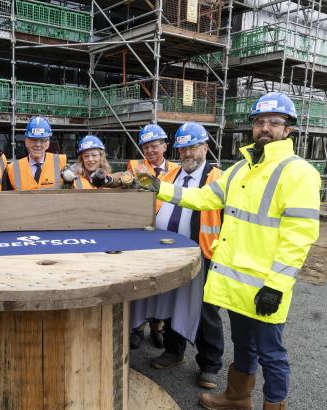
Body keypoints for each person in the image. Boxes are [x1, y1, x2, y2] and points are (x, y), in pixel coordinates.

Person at [140, 92, 320, 410]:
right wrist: (159, 187)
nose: (265, 128)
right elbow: (203, 198)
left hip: (266, 286)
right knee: (244, 345)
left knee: (272, 353)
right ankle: (238, 397)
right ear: (252, 127)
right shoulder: (238, 170)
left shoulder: (298, 172)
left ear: (288, 129)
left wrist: (276, 286)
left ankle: (273, 405)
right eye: (260, 121)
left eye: (274, 122)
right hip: (237, 283)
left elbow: (299, 236)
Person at [130, 122, 224, 390]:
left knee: (206, 311)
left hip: (203, 254)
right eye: (183, 148)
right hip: (167, 252)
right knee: (173, 303)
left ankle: (210, 365)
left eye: (193, 147)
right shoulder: (170, 176)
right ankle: (174, 351)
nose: (187, 154)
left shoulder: (217, 178)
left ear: (205, 147)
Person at [128, 123, 179, 349]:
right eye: (146, 147)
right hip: (141, 231)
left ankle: (157, 326)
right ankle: (137, 326)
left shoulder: (177, 171)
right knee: (139, 280)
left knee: (162, 281)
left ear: (165, 146)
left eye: (154, 145)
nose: (150, 151)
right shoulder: (135, 168)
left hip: (167, 233)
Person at [7, 116, 67, 190]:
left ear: (48, 143)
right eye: (34, 140)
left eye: (42, 140)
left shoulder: (62, 163)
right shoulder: (12, 169)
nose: (38, 145)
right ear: (26, 142)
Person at [62, 134, 134, 189]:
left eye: (94, 155)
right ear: (82, 159)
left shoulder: (110, 179)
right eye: (86, 156)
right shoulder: (74, 180)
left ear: (101, 157)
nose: (90, 159)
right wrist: (66, 182)